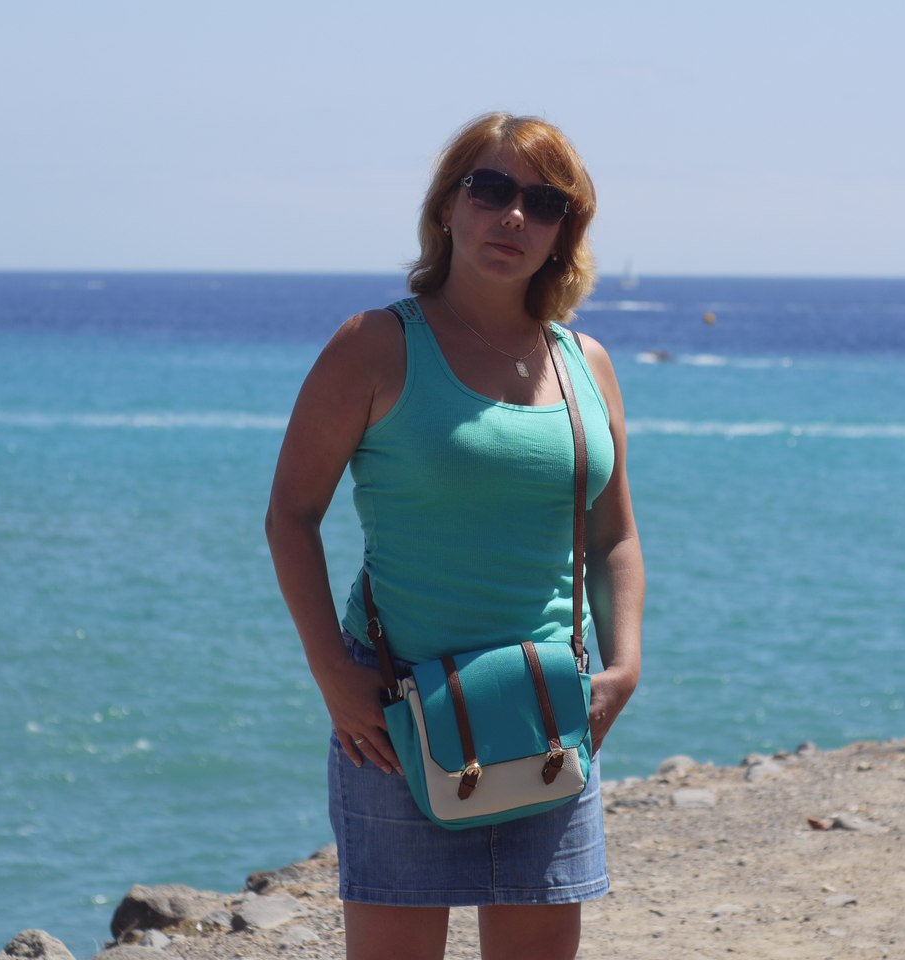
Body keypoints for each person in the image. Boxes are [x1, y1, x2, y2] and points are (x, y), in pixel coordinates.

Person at [265, 112, 644, 960]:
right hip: (397, 713)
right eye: (491, 189)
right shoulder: (374, 346)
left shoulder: (586, 361)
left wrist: (624, 666)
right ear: (447, 207)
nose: (514, 216)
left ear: (564, 232)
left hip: (547, 708)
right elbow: (290, 513)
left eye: (544, 203)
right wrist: (331, 671)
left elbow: (612, 534)